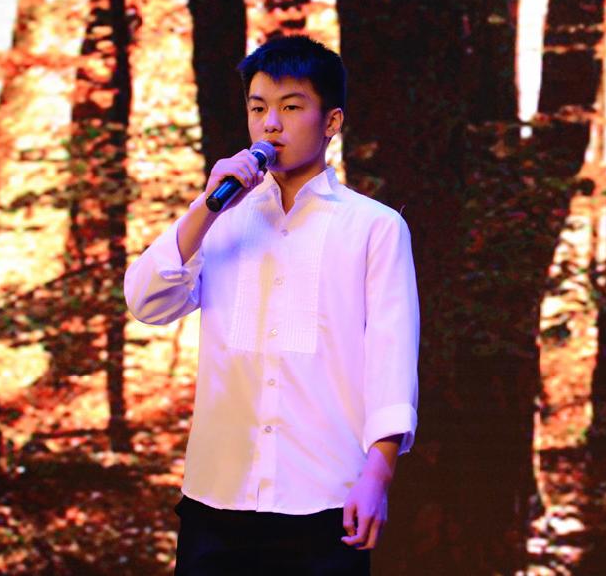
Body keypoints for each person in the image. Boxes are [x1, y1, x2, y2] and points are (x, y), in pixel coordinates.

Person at [124, 35, 419, 575]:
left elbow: (391, 361)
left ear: (331, 122)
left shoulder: (374, 227)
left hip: (326, 501)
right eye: (258, 108)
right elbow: (146, 301)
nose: (271, 125)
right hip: (216, 500)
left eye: (291, 107)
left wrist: (377, 477)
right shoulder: (219, 220)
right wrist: (205, 207)